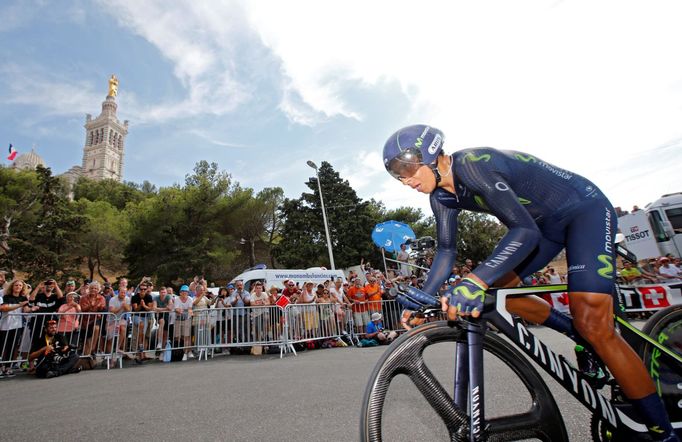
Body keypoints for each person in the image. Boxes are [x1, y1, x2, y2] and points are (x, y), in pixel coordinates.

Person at [382, 124, 678, 441]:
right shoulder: (441, 197)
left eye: (406, 168)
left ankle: (663, 433)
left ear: (430, 154)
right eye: (396, 175)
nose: (405, 180)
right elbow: (446, 251)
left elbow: (523, 233)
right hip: (545, 226)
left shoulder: (472, 165)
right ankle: (576, 333)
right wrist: (425, 298)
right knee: (495, 293)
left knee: (594, 322)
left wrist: (474, 280)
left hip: (583, 210)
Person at [0, 279, 30, 378]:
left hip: (17, 326)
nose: (18, 287)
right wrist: (19, 305)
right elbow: (4, 308)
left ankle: (8, 368)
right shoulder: (6, 297)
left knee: (12, 347)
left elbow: (26, 309)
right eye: (16, 285)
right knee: (2, 347)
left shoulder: (23, 298)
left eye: (20, 285)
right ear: (12, 286)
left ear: (22, 288)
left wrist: (32, 309)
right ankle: (1, 367)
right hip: (5, 326)